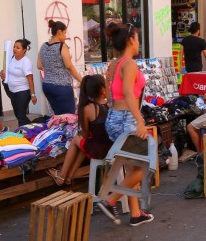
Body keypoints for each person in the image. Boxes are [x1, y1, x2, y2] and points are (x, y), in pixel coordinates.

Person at [97, 22, 153, 227]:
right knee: (144, 166)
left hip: (113, 117)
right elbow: (129, 93)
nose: (139, 42)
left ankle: (136, 214)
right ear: (130, 40)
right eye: (137, 38)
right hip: (127, 118)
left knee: (132, 166)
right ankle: (109, 200)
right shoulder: (129, 64)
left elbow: (110, 96)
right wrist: (139, 121)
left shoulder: (113, 64)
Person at [46, 74, 112, 186]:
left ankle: (62, 176)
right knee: (84, 144)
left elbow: (85, 135)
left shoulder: (88, 108)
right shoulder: (110, 105)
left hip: (100, 150)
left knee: (77, 139)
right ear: (102, 90)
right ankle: (69, 176)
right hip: (112, 147)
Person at [37, 20, 82, 114]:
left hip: (47, 85)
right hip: (62, 86)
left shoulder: (43, 46)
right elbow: (69, 66)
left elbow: (39, 66)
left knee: (58, 115)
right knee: (69, 116)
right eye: (65, 33)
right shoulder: (62, 46)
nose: (65, 36)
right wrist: (81, 80)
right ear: (59, 32)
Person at [0, 39, 37, 126]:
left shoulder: (25, 62)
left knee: (20, 115)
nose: (15, 49)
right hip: (12, 90)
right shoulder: (11, 58)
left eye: (18, 48)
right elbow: (5, 70)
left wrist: (33, 95)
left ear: (24, 50)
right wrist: (2, 73)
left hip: (23, 91)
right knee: (18, 114)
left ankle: (23, 132)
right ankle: (32, 127)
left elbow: (30, 79)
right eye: (14, 47)